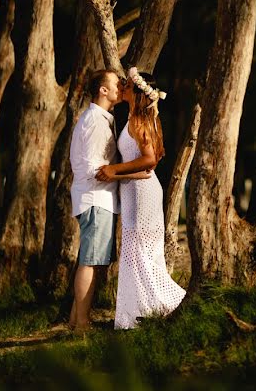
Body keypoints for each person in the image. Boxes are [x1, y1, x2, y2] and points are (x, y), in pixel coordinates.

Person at [96, 67, 186, 329]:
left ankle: (170, 303)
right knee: (138, 252)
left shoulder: (139, 121)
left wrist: (114, 170)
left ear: (136, 91)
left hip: (142, 195)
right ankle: (141, 311)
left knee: (141, 253)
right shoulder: (139, 118)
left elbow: (149, 160)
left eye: (126, 84)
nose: (122, 86)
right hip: (137, 190)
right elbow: (149, 166)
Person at [68, 69, 150, 332]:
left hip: (98, 199)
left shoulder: (102, 118)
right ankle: (82, 323)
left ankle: (74, 320)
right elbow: (93, 168)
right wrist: (125, 174)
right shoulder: (94, 121)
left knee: (89, 259)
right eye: (116, 84)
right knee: (89, 261)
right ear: (103, 90)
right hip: (95, 198)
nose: (120, 87)